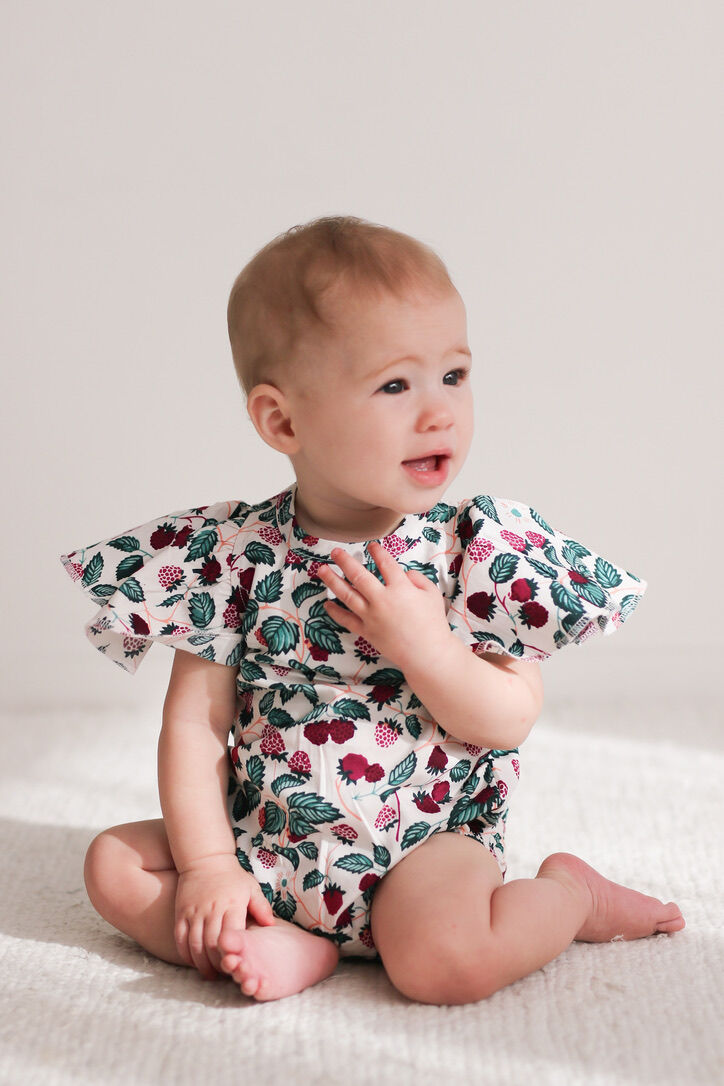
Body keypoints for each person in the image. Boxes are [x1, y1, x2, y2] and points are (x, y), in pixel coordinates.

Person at [59, 215, 684, 1005]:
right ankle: (281, 939)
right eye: (396, 385)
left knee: (443, 965)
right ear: (283, 421)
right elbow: (193, 728)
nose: (439, 412)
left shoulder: (475, 551)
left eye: (454, 376)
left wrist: (428, 648)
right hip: (270, 834)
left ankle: (569, 897)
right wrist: (213, 867)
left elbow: (507, 719)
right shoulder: (231, 553)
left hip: (424, 846)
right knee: (113, 866)